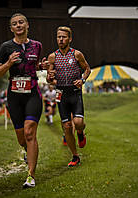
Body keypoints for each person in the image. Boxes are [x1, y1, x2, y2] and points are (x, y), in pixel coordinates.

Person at [0, 13, 49, 188]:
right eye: (15, 24)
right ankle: (28, 152)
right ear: (11, 28)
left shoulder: (36, 46)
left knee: (30, 132)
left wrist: (42, 67)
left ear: (27, 25)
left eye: (21, 22)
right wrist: (8, 63)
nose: (18, 25)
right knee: (22, 138)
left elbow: (35, 65)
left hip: (32, 93)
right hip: (14, 95)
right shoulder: (6, 47)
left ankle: (31, 176)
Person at [47, 26, 91, 167]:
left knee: (77, 123)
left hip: (75, 92)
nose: (60, 39)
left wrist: (82, 80)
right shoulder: (52, 57)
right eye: (58, 37)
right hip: (61, 94)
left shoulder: (77, 54)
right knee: (66, 127)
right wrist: (50, 77)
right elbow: (50, 79)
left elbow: (87, 69)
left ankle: (80, 133)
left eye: (63, 37)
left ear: (70, 39)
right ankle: (75, 156)